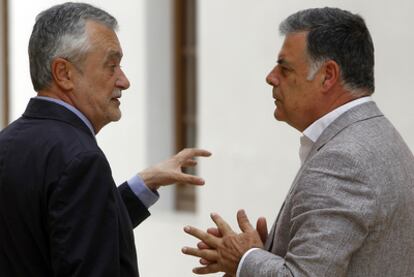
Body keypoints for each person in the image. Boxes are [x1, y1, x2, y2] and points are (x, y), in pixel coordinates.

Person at [182, 7, 414, 277]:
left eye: (284, 67)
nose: (271, 77)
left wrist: (245, 259)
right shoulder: (380, 135)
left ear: (328, 75)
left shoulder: (343, 160)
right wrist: (267, 255)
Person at [0, 2, 210, 277]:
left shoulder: (8, 142)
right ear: (64, 74)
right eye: (112, 66)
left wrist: (144, 184)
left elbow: (66, 230)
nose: (124, 81)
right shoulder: (80, 159)